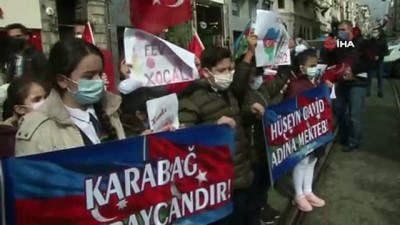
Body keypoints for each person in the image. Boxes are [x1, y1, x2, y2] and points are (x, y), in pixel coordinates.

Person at [179, 37, 255, 225]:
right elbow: (182, 138)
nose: (228, 74)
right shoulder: (192, 99)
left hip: (241, 175)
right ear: (206, 72)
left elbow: (236, 118)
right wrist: (212, 128)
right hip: (216, 184)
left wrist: (250, 113)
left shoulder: (226, 92)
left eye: (230, 69)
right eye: (221, 70)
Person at [15, 38, 126, 156]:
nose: (98, 81)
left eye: (99, 74)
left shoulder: (110, 109)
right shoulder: (36, 127)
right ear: (62, 80)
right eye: (88, 77)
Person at [241, 64, 290, 224]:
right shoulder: (242, 95)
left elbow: (277, 84)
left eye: (261, 74)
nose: (259, 78)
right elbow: (243, 111)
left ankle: (262, 206)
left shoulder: (263, 90)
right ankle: (256, 213)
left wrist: (285, 65)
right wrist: (250, 110)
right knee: (254, 189)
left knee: (264, 184)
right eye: (255, 75)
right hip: (254, 149)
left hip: (267, 146)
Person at [285, 48, 326, 212]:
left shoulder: (315, 81)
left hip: (316, 128)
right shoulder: (296, 85)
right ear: (301, 68)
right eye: (312, 65)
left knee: (312, 160)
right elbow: (290, 107)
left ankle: (308, 191)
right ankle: (299, 194)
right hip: (303, 129)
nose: (315, 67)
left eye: (316, 65)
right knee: (301, 161)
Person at [333, 20, 370, 152]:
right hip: (342, 82)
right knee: (338, 109)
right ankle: (343, 136)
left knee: (354, 114)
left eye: (343, 30)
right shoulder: (339, 44)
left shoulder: (362, 43)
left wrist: (353, 71)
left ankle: (354, 141)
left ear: (350, 30)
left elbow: (369, 63)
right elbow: (333, 59)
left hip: (358, 83)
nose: (340, 32)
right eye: (338, 30)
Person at [0, 77, 46, 157]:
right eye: (37, 99)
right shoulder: (7, 141)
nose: (45, 102)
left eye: (45, 97)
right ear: (20, 109)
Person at [367, 28, 388, 97]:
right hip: (370, 61)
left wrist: (379, 56)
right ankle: (368, 91)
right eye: (373, 32)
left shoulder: (383, 41)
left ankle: (380, 91)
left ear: (378, 33)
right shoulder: (370, 41)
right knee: (369, 76)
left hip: (380, 61)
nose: (374, 33)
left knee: (380, 76)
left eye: (375, 32)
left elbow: (386, 52)